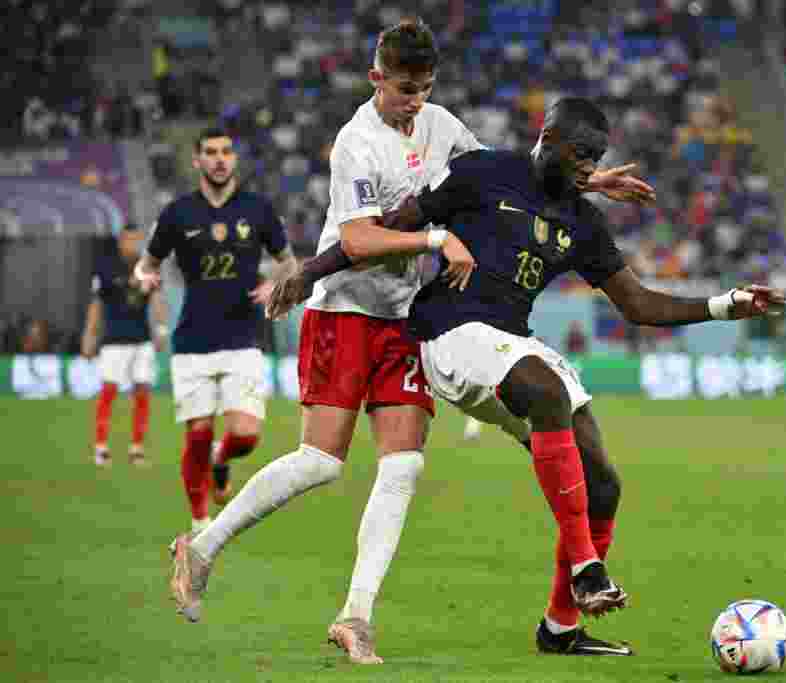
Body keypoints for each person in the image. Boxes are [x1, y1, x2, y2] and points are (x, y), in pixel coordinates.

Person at [166, 17, 655, 664]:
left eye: (424, 88)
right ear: (377, 78)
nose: (415, 101)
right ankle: (201, 546)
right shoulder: (355, 144)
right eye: (404, 89)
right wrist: (432, 239)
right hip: (343, 310)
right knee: (322, 462)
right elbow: (362, 239)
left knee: (405, 464)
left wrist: (589, 181)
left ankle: (355, 615)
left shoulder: (443, 126)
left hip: (406, 319)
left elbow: (507, 178)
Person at [271, 96, 786, 656]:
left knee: (603, 483)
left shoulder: (582, 222)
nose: (588, 165)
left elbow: (638, 304)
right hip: (448, 331)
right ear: (549, 135)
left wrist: (726, 304)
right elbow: (391, 225)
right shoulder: (483, 172)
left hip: (509, 341)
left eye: (595, 158)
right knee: (543, 388)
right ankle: (586, 567)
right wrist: (311, 272)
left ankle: (561, 629)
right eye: (581, 152)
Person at [133, 127, 296, 533]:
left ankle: (223, 459)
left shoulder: (257, 209)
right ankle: (201, 522)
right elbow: (146, 264)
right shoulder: (177, 213)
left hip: (243, 338)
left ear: (234, 159)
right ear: (197, 160)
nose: (219, 158)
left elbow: (289, 262)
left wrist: (276, 283)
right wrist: (143, 277)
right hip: (191, 341)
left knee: (246, 434)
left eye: (226, 151)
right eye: (210, 152)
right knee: (198, 433)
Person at [81, 224, 169, 466]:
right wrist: (89, 335)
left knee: (143, 392)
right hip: (114, 341)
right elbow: (97, 304)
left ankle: (137, 449)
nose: (133, 244)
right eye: (129, 240)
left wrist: (161, 329)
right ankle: (101, 447)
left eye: (136, 240)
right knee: (108, 392)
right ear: (121, 241)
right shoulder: (107, 267)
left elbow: (158, 299)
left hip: (142, 341)